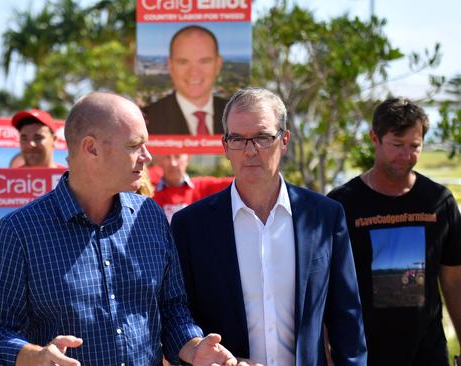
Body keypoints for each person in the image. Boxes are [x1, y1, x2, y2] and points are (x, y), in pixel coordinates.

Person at [0, 92, 238, 366]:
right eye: (135, 146)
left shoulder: (150, 215)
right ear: (91, 148)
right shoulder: (19, 231)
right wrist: (34, 357)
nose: (147, 157)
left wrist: (194, 349)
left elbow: (172, 309)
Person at [171, 87, 367, 365]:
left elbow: (347, 317)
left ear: (284, 140)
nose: (250, 151)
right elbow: (177, 315)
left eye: (262, 137)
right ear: (225, 146)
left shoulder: (325, 216)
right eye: (238, 139)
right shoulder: (190, 225)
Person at [328, 98, 461, 365]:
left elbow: (454, 282)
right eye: (397, 145)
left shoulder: (439, 201)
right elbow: (324, 287)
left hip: (427, 354)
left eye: (415, 146)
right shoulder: (342, 204)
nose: (406, 155)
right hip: (361, 355)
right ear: (374, 138)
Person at [0, 109, 66, 279]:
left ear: (54, 140)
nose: (31, 145)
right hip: (11, 281)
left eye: (38, 137)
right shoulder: (1, 183)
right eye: (24, 138)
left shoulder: (71, 180)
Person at [143, 25, 227, 135]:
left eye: (204, 61)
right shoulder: (148, 120)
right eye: (183, 62)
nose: (194, 72)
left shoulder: (236, 115)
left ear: (218, 64)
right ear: (170, 65)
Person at [153, 153, 232, 221]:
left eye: (177, 156)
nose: (173, 163)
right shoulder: (150, 192)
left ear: (188, 158)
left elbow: (239, 182)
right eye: (168, 157)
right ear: (160, 160)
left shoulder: (203, 186)